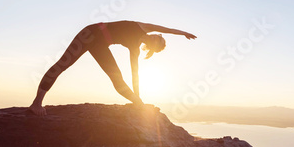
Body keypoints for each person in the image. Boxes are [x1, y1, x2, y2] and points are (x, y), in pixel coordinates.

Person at [29, 21, 196, 116]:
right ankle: (36, 104)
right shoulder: (143, 26)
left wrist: (139, 101)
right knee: (62, 65)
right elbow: (167, 29)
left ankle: (138, 104)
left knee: (118, 80)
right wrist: (184, 33)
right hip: (89, 33)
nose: (157, 36)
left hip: (100, 45)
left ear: (153, 46)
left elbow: (135, 74)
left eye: (157, 40)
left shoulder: (135, 49)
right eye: (158, 36)